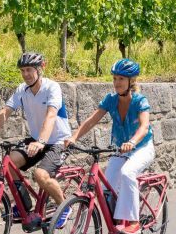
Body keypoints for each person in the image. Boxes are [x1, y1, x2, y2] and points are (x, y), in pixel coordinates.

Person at [0, 52, 73, 227]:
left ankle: (64, 206)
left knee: (40, 175)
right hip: (37, 139)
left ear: (40, 68)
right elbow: (5, 112)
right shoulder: (22, 89)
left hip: (58, 141)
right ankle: (24, 206)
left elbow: (51, 115)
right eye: (22, 70)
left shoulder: (52, 88)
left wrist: (41, 142)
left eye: (29, 69)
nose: (25, 74)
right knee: (10, 163)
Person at [64, 58, 154, 234]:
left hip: (142, 147)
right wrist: (74, 137)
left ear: (131, 81)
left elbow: (144, 127)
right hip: (120, 149)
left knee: (128, 173)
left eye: (121, 79)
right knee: (106, 190)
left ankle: (133, 221)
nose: (116, 83)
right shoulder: (110, 100)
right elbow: (91, 121)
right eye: (114, 78)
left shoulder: (140, 100)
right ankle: (118, 222)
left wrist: (132, 142)